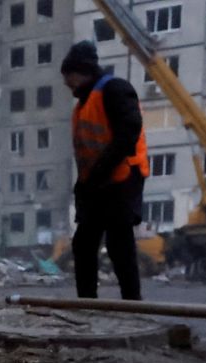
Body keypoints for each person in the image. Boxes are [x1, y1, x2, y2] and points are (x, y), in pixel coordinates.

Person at [61, 40, 148, 300]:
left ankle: (133, 304)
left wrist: (100, 171)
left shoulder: (114, 89)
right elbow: (86, 150)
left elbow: (128, 131)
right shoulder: (83, 105)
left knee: (119, 243)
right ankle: (87, 302)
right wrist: (84, 184)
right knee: (84, 243)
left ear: (82, 72)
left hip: (122, 178)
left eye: (69, 76)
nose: (66, 83)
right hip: (95, 184)